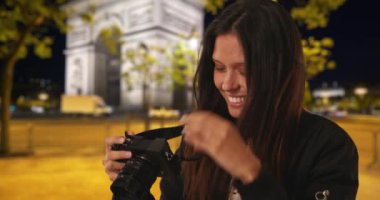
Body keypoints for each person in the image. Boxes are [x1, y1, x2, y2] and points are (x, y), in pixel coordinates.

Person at [103, 0, 358, 199]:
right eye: (219, 67)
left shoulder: (329, 147)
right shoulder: (199, 142)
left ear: (282, 70)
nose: (228, 84)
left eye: (245, 70)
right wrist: (132, 186)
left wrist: (249, 172)